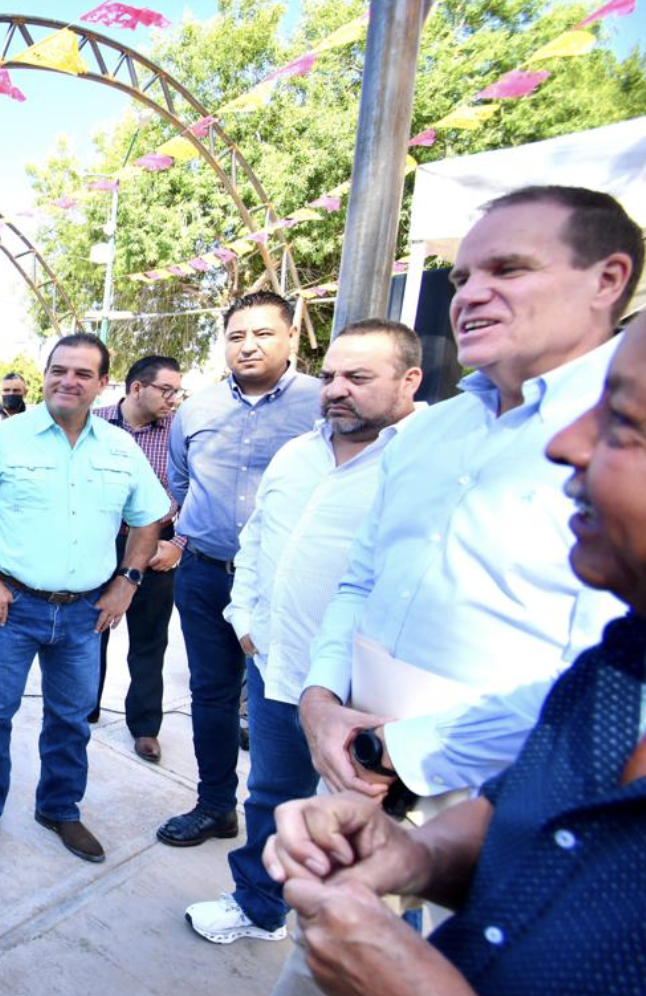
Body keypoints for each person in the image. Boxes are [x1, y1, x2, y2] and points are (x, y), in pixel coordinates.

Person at [276, 185, 638, 995]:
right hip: (358, 769)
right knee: (325, 961)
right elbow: (361, 577)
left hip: (501, 791)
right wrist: (322, 700)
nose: (470, 293)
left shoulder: (618, 455)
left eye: (508, 269)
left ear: (607, 278)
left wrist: (401, 752)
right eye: (463, 272)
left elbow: (604, 672)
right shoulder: (432, 430)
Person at [182, 321, 422, 948]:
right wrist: (244, 620)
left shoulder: (423, 460)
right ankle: (259, 908)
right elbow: (257, 539)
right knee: (270, 795)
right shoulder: (299, 451)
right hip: (277, 666)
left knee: (364, 828)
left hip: (365, 695)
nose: (337, 390)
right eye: (333, 375)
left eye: (359, 378)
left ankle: (364, 948)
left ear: (409, 380)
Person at [0, 333, 170, 868]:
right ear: (45, 374)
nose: (68, 381)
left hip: (83, 614)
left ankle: (59, 807)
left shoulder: (121, 449)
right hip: (11, 607)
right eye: (58, 370)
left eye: (82, 373)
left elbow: (149, 518)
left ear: (103, 384)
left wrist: (128, 582)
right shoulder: (6, 439)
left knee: (70, 719)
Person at [159, 291, 322, 847]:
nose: (248, 345)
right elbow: (182, 483)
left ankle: (281, 830)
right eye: (236, 335)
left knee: (282, 698)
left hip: (283, 582)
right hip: (204, 574)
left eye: (263, 333)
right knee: (211, 693)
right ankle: (214, 805)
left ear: (291, 339)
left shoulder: (322, 404)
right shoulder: (196, 410)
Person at [89, 354, 186, 764]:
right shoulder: (91, 422)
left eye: (178, 391)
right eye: (167, 390)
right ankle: (82, 707)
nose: (174, 399)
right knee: (90, 629)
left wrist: (178, 542)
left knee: (149, 640)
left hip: (155, 546)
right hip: (98, 542)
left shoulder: (178, 432)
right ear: (136, 389)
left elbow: (193, 491)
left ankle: (145, 726)